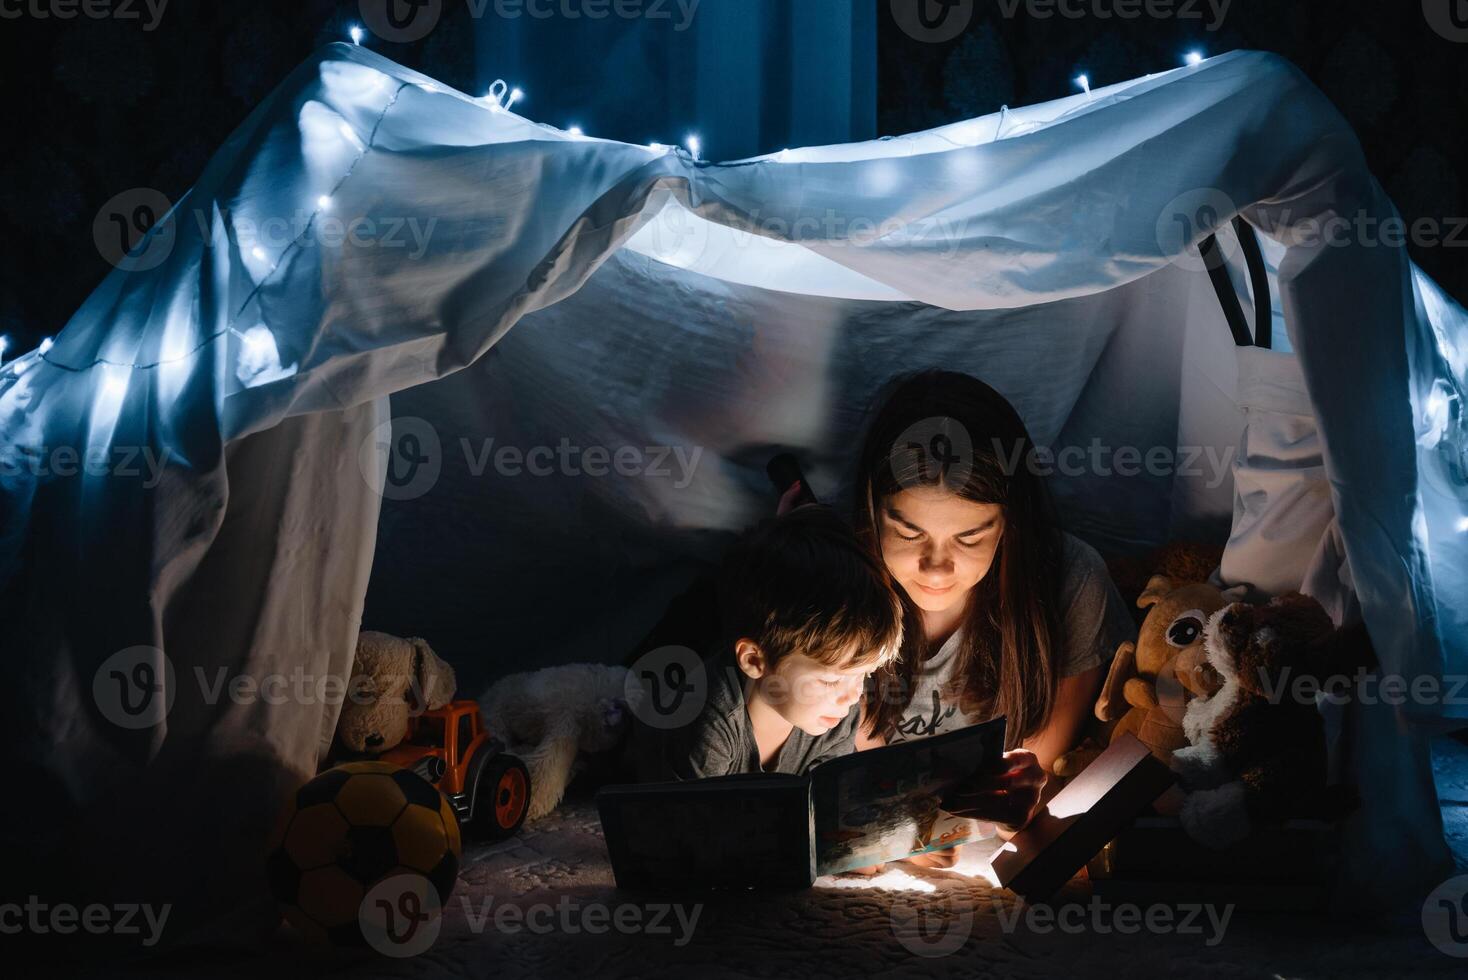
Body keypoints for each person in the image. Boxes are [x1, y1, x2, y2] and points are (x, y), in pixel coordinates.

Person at [629, 505, 904, 781]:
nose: (853, 696)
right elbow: (694, 820)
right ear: (754, 661)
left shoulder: (837, 715)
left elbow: (828, 803)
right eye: (831, 681)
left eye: (863, 675)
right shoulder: (709, 725)